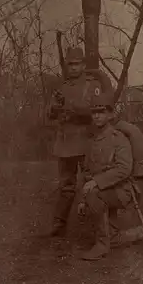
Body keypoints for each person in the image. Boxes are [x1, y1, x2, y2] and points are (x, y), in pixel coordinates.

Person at [79, 93, 143, 261]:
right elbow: (87, 172)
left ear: (110, 114)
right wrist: (82, 199)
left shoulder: (118, 138)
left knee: (94, 195)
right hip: (105, 189)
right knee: (113, 238)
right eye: (94, 113)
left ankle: (101, 246)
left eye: (101, 111)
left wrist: (95, 183)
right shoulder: (92, 141)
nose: (97, 116)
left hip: (123, 190)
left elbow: (123, 169)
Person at [46, 47, 111, 237]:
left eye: (76, 64)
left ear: (83, 65)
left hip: (85, 141)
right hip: (65, 142)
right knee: (66, 184)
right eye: (70, 64)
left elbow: (99, 109)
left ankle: (95, 224)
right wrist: (55, 109)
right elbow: (49, 113)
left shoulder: (92, 85)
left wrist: (73, 108)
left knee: (91, 182)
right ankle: (60, 222)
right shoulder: (62, 87)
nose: (73, 68)